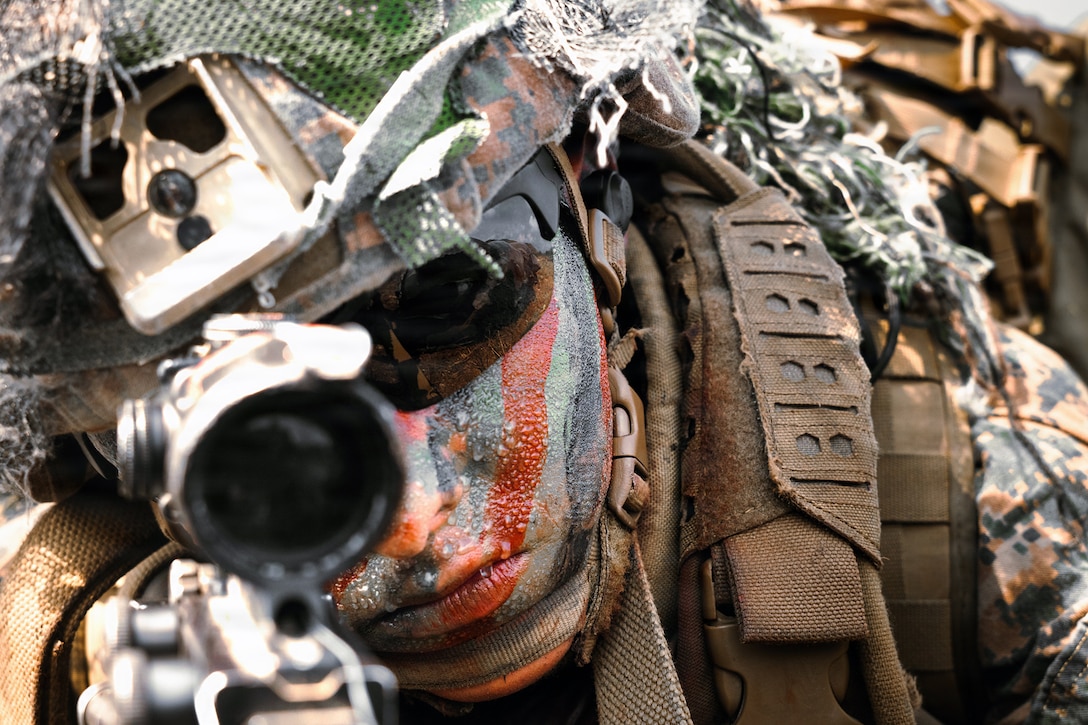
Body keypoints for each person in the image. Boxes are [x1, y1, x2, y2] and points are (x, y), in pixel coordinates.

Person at [1, 0, 1087, 723]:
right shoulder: (56, 651)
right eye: (248, 439)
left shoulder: (983, 502)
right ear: (115, 458)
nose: (412, 519)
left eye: (440, 310)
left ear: (590, 202)